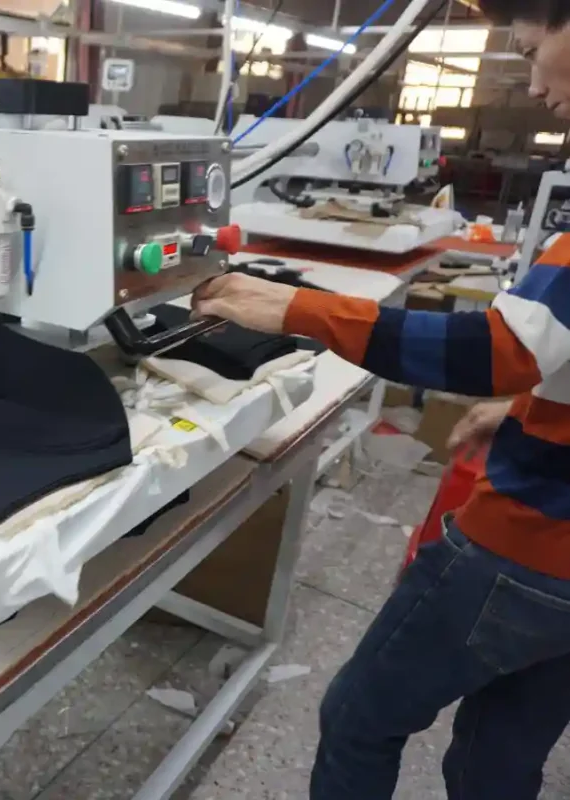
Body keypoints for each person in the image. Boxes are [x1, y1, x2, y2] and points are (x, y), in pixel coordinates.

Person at [190, 5, 570, 797]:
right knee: (499, 753)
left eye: (535, 52)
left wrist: (296, 310)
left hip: (532, 545)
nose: (533, 85)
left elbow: (496, 349)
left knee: (361, 717)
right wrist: (529, 405)